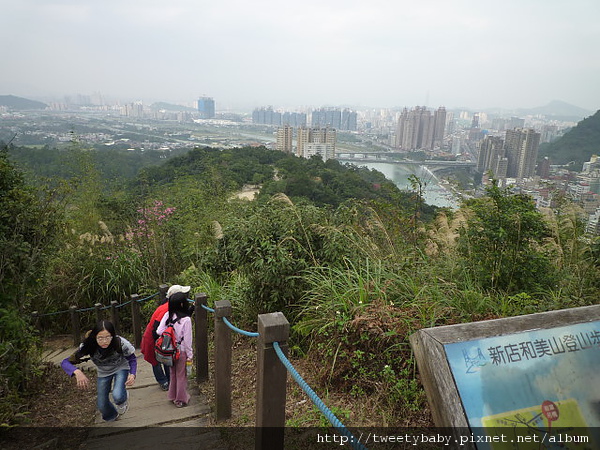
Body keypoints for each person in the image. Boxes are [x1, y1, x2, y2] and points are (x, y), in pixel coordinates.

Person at [61, 320, 137, 422]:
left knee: (117, 395)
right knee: (102, 405)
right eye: (100, 338)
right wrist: (77, 372)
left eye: (108, 337)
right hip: (103, 371)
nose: (104, 341)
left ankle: (122, 399)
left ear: (112, 336)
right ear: (94, 337)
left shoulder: (121, 343)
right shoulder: (88, 345)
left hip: (120, 367)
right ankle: (112, 415)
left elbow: (132, 359)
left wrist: (132, 374)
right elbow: (65, 362)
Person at [140, 284, 191, 390]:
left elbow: (180, 319)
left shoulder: (171, 307)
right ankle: (163, 381)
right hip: (154, 338)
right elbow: (156, 328)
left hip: (164, 337)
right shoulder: (166, 309)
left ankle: (170, 381)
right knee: (156, 360)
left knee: (165, 358)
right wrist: (160, 343)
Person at [156, 291, 193, 407]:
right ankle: (180, 399)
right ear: (182, 304)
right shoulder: (186, 320)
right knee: (181, 375)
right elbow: (187, 340)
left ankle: (172, 395)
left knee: (172, 373)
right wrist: (190, 354)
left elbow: (159, 331)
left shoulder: (168, 315)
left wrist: (170, 333)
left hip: (169, 350)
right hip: (180, 351)